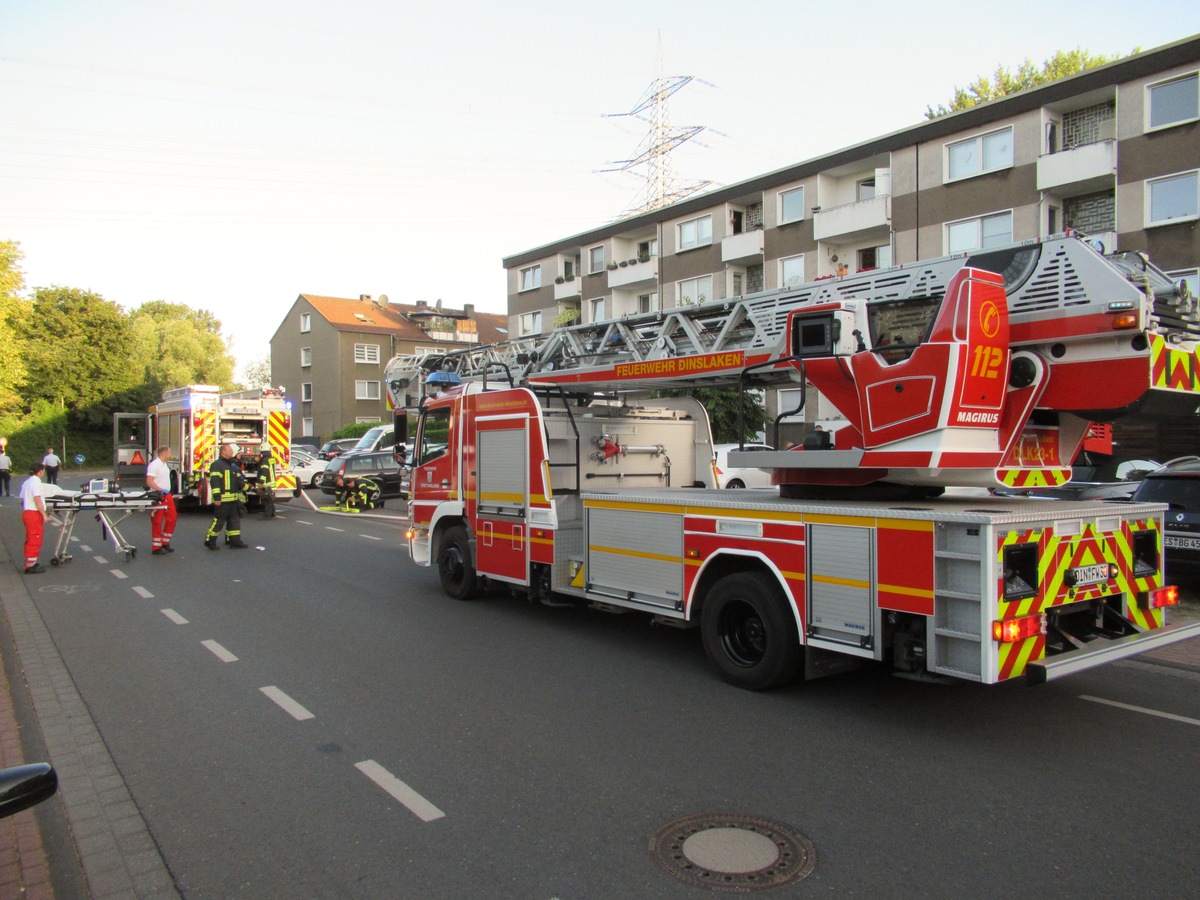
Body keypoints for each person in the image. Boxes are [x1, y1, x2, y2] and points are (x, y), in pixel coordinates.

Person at [204, 443, 248, 549]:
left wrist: (252, 489)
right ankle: (210, 541)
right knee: (219, 521)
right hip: (223, 500)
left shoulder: (232, 465)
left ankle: (235, 541)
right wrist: (217, 498)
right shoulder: (217, 465)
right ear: (223, 452)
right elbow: (215, 482)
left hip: (233, 499)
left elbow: (239, 482)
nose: (232, 452)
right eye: (230, 451)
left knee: (234, 521)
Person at [145, 446, 177, 555]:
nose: (170, 455)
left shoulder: (164, 465)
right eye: (169, 453)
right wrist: (160, 490)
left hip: (166, 495)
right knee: (157, 521)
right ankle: (156, 546)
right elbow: (149, 481)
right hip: (158, 495)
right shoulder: (154, 465)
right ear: (164, 454)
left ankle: (165, 542)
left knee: (172, 518)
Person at [19, 463, 49, 574]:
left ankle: (31, 561)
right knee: (35, 538)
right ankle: (30, 566)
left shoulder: (27, 482)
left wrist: (27, 507)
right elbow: (37, 500)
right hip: (34, 513)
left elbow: (21, 500)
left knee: (30, 538)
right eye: (43, 471)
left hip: (27, 512)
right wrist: (44, 514)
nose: (44, 473)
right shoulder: (36, 482)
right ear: (40, 471)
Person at [258, 445, 277, 519]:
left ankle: (267, 515)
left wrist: (261, 482)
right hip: (271, 481)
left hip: (266, 482)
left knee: (267, 499)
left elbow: (264, 472)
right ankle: (272, 513)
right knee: (270, 498)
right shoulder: (271, 458)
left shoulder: (265, 460)